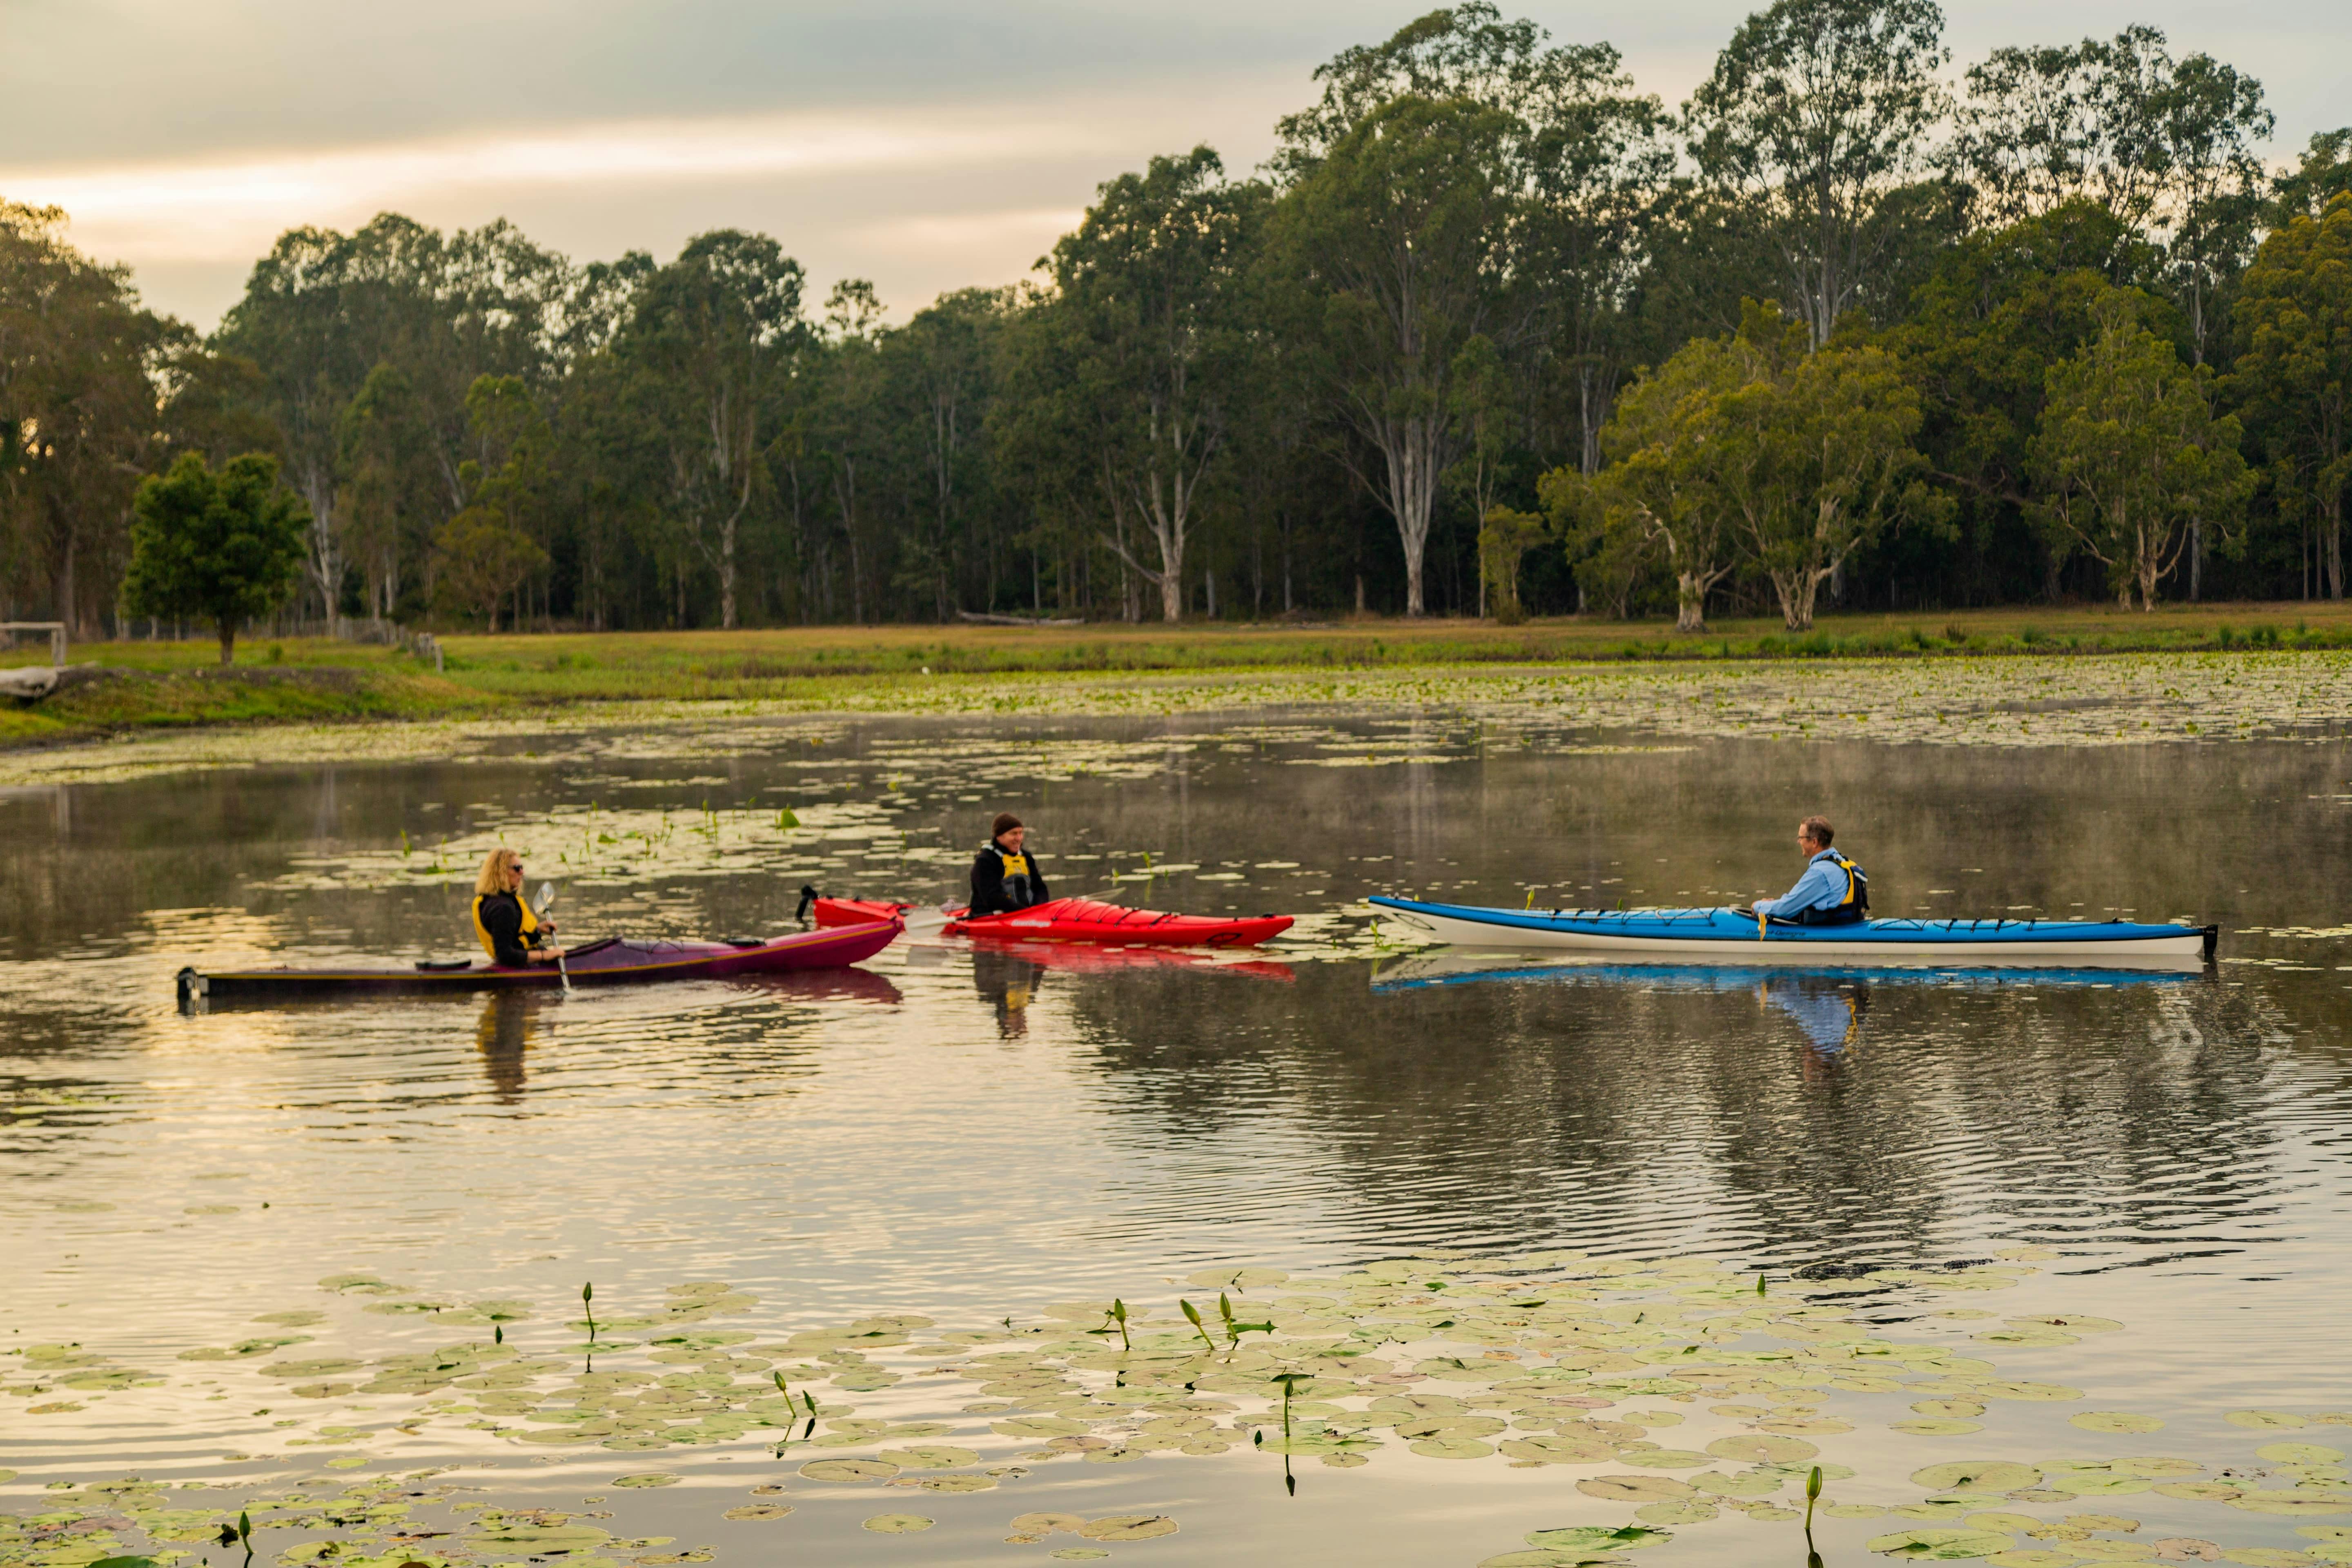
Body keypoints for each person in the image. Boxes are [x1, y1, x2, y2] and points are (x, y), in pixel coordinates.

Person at [1753, 815, 1869, 925]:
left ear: (1814, 842)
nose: (1799, 842)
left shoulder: (1820, 873)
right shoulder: (1839, 861)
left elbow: (1786, 909)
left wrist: (1758, 906)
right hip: (1846, 926)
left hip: (1833, 934)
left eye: (1801, 838)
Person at [471, 846, 564, 966]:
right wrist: (543, 956)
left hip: (519, 962)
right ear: (501, 872)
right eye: (517, 868)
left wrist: (538, 931)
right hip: (517, 967)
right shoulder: (502, 908)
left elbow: (515, 940)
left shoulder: (496, 900)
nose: (522, 872)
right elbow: (505, 955)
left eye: (521, 867)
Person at [969, 813, 1050, 916]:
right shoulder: (985, 860)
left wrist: (1039, 908)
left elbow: (1040, 888)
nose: (1019, 838)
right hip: (993, 917)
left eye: (1021, 833)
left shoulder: (1026, 857)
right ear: (999, 836)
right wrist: (1026, 913)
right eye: (1014, 834)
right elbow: (993, 897)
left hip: (1027, 914)